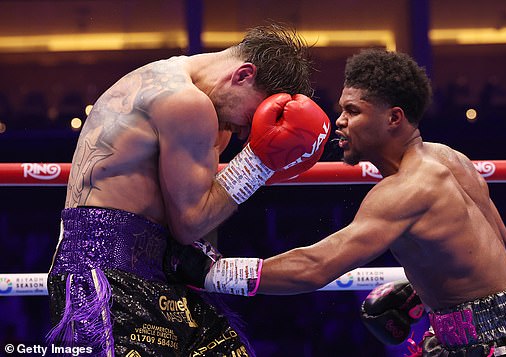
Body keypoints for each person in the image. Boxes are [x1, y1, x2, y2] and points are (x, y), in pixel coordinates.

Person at [191, 48, 506, 356]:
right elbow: (501, 244)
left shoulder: (403, 191)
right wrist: (421, 290)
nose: (338, 122)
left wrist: (212, 272)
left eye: (352, 111)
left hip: (497, 347)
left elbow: (315, 267)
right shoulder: (448, 157)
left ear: (394, 118)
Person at [46, 23, 331, 357]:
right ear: (243, 76)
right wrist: (259, 163)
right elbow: (191, 222)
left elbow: (196, 223)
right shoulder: (186, 102)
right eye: (253, 116)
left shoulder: (207, 105)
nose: (246, 134)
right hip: (106, 271)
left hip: (165, 270)